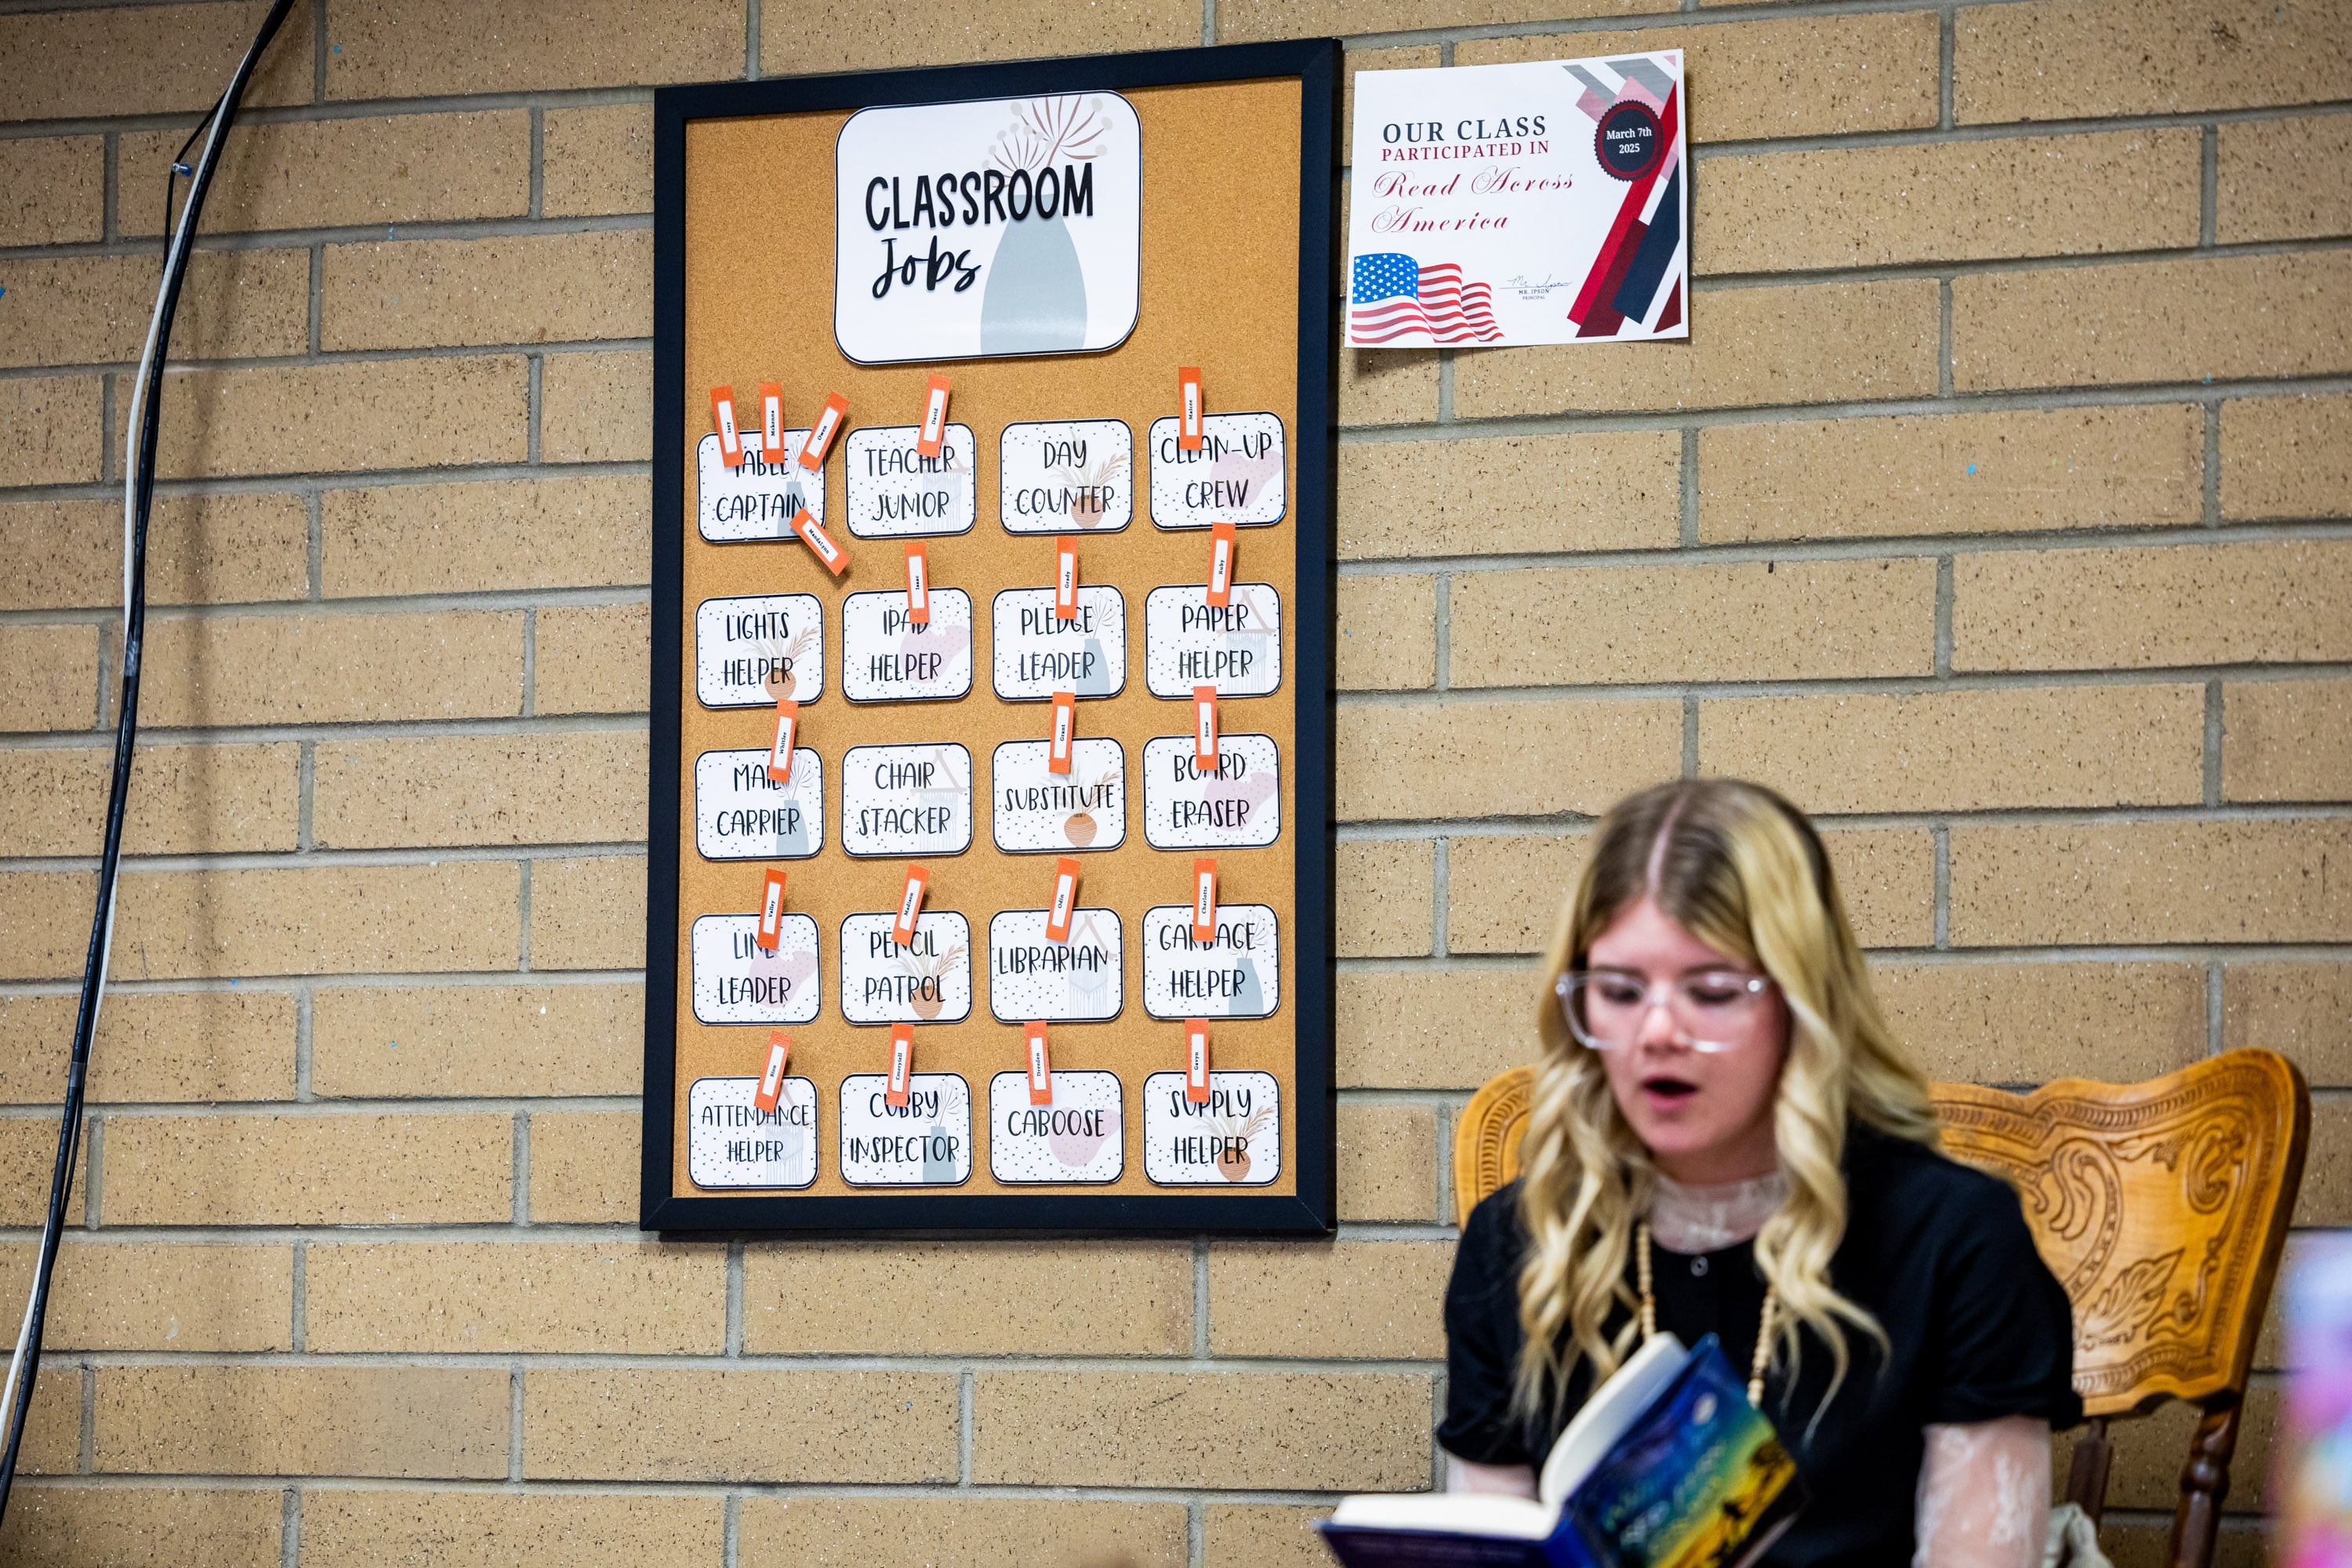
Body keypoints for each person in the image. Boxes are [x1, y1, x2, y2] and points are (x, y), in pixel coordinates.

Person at [1440, 779, 2081, 1568]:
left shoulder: (1954, 1241)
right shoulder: (1517, 1243)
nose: (1659, 1031)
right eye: (1618, 990)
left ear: (1804, 1002)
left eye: (1711, 991)